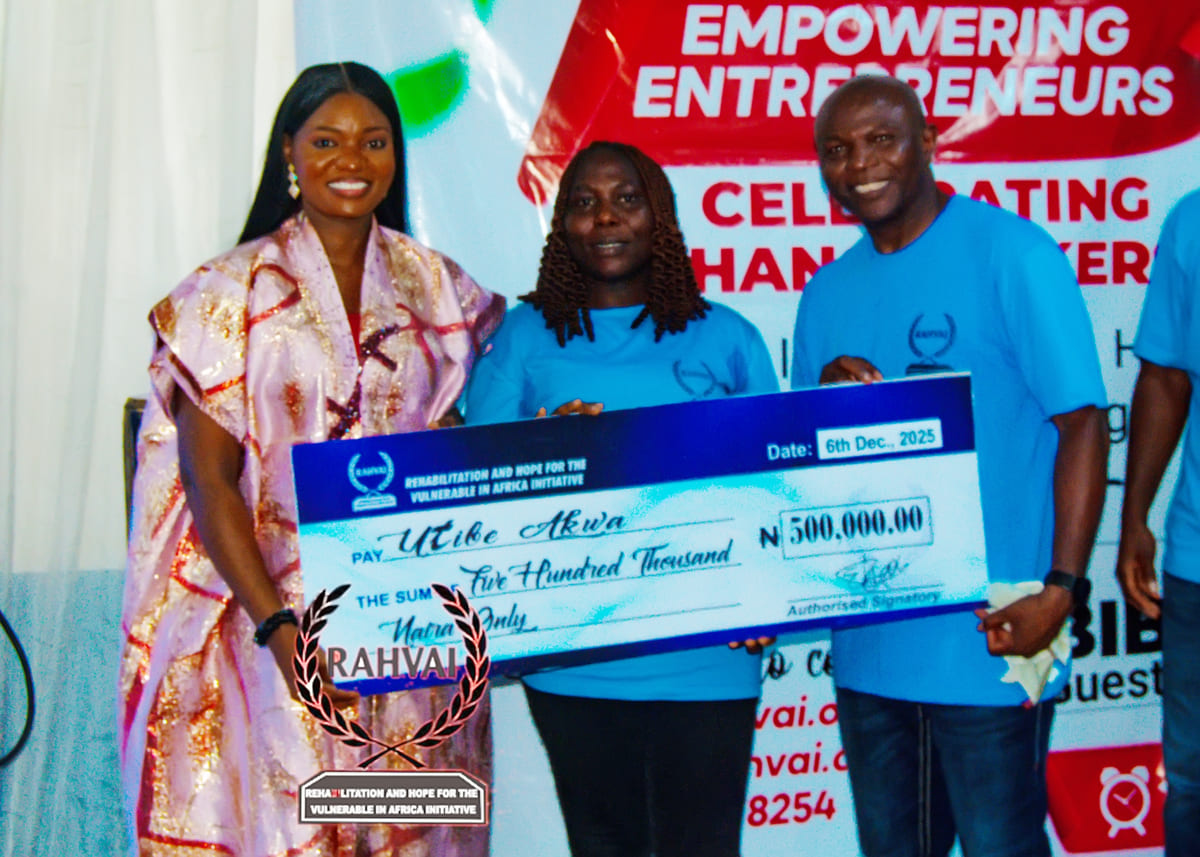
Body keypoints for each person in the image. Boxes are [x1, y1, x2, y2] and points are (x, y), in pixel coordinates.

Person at [118, 62, 503, 857]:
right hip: (265, 625)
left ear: (395, 155)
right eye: (326, 141)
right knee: (291, 826)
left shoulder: (438, 289)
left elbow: (457, 450)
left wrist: (550, 441)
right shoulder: (225, 292)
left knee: (408, 827)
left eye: (373, 141)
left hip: (408, 632)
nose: (351, 160)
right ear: (289, 153)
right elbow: (208, 479)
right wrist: (278, 626)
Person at [791, 76, 1108, 857]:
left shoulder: (1013, 253)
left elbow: (1083, 423)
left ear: (928, 141)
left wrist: (1060, 588)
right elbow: (804, 471)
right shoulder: (824, 293)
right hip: (870, 649)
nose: (859, 164)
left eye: (881, 139)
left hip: (994, 636)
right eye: (837, 149)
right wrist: (825, 405)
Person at [466, 141, 776, 857]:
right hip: (577, 657)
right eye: (584, 202)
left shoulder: (728, 337)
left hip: (709, 654)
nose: (605, 217)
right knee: (602, 845)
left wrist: (770, 593)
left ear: (660, 216)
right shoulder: (522, 338)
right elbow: (477, 489)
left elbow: (774, 490)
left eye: (626, 199)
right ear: (562, 225)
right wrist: (543, 444)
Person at [1117, 188, 1200, 855]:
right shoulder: (1192, 219)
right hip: (1197, 563)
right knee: (1194, 784)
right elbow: (1167, 376)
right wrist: (1134, 515)